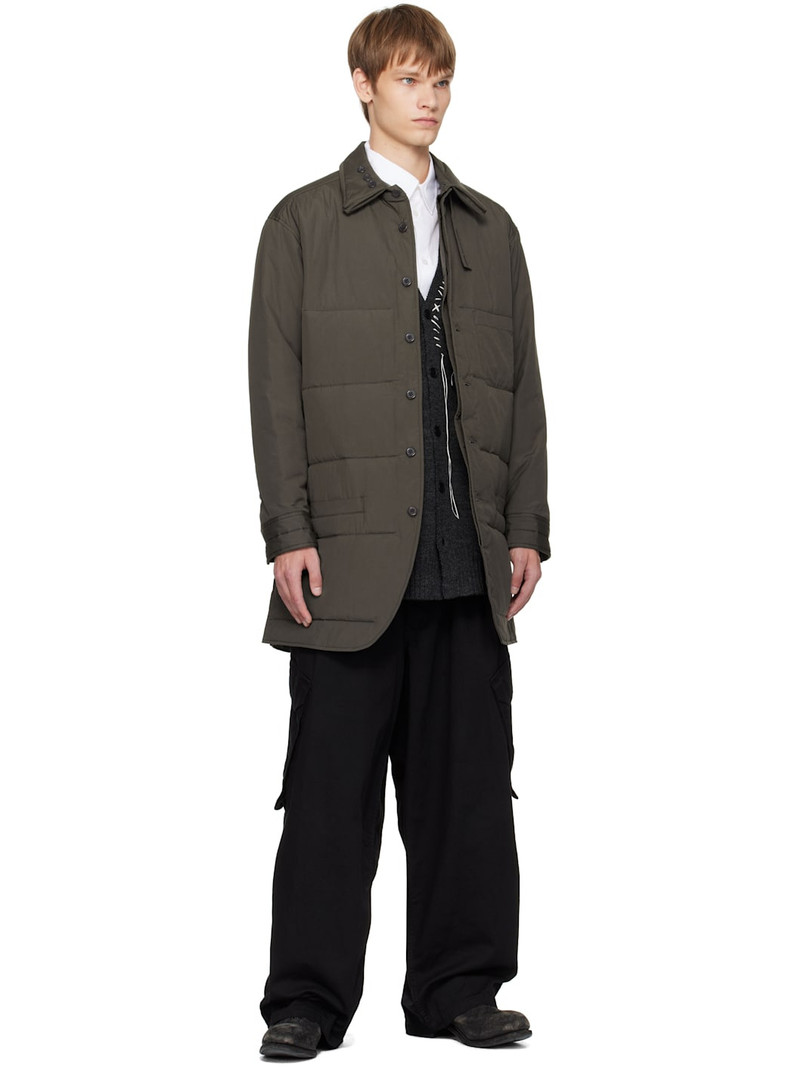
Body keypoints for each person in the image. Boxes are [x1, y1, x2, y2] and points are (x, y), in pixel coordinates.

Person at [248, 4, 550, 1058]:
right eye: (409, 78)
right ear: (364, 86)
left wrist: (527, 526)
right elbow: (274, 389)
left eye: (440, 79)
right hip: (346, 561)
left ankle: (460, 988)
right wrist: (287, 528)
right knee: (328, 796)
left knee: (469, 795)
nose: (430, 97)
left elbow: (523, 392)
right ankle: (306, 999)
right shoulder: (302, 224)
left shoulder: (490, 230)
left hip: (466, 559)